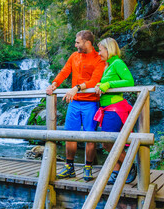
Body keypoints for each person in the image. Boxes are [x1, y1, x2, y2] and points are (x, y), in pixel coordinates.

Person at [46, 30, 105, 181]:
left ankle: (88, 168)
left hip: (90, 102)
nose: (75, 44)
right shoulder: (74, 56)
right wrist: (54, 85)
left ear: (88, 43)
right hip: (74, 103)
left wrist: (77, 87)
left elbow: (95, 80)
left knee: (90, 136)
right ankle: (69, 167)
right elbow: (64, 72)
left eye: (78, 42)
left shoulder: (99, 59)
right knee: (69, 135)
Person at [94, 37, 136, 184]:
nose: (99, 53)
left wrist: (107, 84)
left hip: (115, 108)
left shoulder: (117, 63)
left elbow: (129, 81)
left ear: (108, 49)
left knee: (107, 142)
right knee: (111, 141)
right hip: (107, 108)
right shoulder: (108, 65)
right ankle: (117, 171)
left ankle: (128, 165)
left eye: (100, 50)